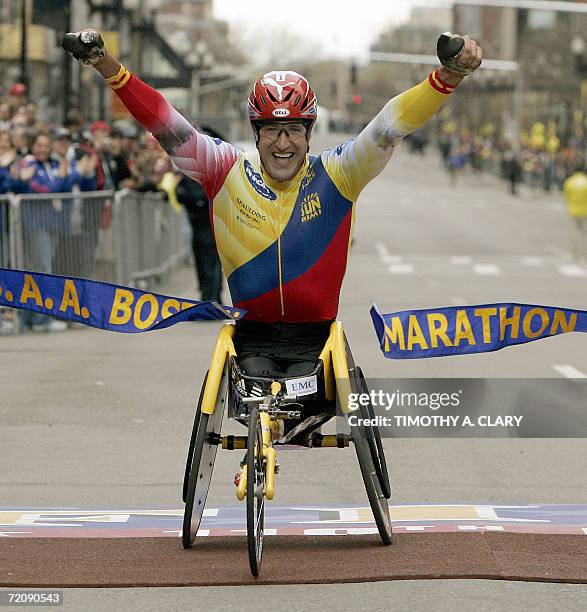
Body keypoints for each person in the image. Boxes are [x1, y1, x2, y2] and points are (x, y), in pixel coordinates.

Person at [63, 29, 482, 374]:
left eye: (294, 131)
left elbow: (387, 127)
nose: (283, 145)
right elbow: (166, 123)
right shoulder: (223, 170)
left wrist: (447, 78)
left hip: (317, 343)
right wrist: (106, 65)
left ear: (310, 132)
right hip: (251, 339)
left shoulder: (339, 172)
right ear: (255, 131)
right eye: (271, 132)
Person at [563, 163, 587, 262]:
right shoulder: (586, 181)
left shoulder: (570, 182)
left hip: (573, 210)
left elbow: (567, 197)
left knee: (574, 232)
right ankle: (584, 253)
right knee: (584, 233)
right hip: (585, 210)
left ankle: (574, 253)